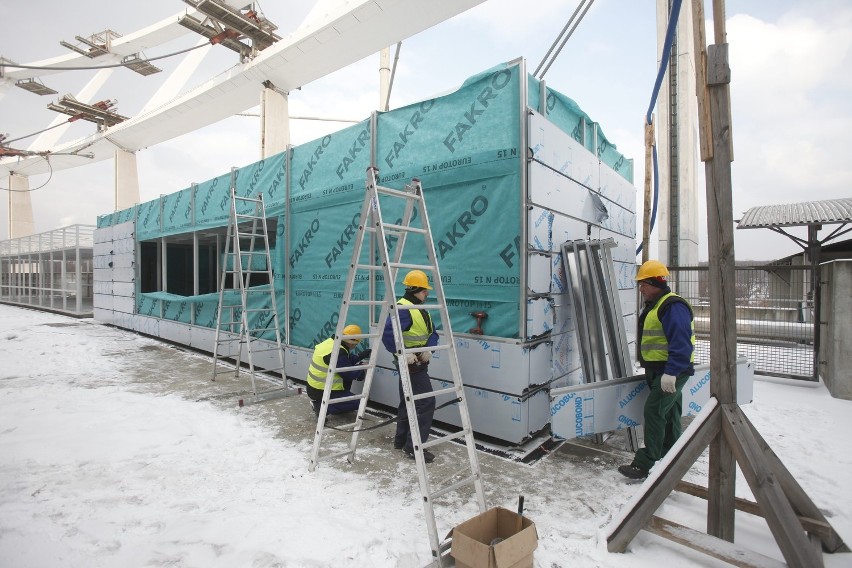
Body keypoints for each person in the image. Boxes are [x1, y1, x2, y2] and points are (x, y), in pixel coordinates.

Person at [618, 260, 696, 480]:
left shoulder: (672, 306)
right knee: (669, 414)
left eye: (645, 284)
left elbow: (681, 343)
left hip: (670, 372)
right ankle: (672, 453)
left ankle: (644, 463)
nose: (641, 288)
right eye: (640, 284)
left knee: (654, 411)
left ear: (657, 283)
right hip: (659, 370)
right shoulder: (656, 304)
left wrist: (671, 373)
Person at [382, 269, 439, 463]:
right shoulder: (403, 309)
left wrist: (429, 349)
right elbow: (388, 336)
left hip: (419, 361)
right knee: (426, 402)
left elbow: (433, 332)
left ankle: (401, 440)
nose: (427, 294)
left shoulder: (419, 308)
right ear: (415, 289)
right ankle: (414, 447)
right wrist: (402, 354)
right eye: (424, 290)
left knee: (408, 400)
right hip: (409, 363)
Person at [306, 323, 371, 416]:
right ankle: (321, 406)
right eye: (355, 344)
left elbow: (345, 360)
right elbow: (349, 374)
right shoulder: (339, 352)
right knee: (360, 402)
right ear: (350, 341)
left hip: (314, 388)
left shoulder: (332, 342)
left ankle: (339, 402)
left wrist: (360, 356)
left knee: (348, 387)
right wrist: (362, 370)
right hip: (322, 391)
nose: (355, 346)